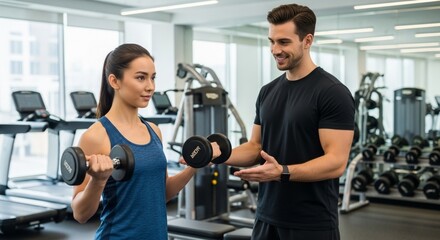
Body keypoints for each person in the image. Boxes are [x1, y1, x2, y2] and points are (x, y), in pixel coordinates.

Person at [227, 4, 355, 240]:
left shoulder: (332, 92)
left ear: (307, 41)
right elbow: (256, 147)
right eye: (271, 41)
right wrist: (217, 155)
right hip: (266, 217)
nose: (275, 49)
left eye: (283, 42)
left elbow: (336, 162)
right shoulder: (268, 91)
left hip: (310, 223)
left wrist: (282, 172)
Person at [71, 43, 219, 239]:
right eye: (141, 78)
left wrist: (194, 166)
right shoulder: (96, 136)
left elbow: (162, 193)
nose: (150, 86)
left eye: (152, 77)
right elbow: (80, 214)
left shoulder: (153, 131)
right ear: (115, 81)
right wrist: (98, 181)